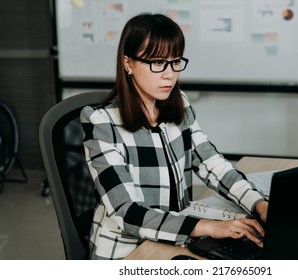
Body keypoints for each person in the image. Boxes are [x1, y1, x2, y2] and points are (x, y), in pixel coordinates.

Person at [81, 13, 268, 260]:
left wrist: (259, 205)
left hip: (176, 237)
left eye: (175, 61)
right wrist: (208, 227)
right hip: (127, 251)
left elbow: (213, 165)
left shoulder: (179, 104)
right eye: (158, 62)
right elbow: (126, 213)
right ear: (128, 63)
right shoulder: (102, 123)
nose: (170, 74)